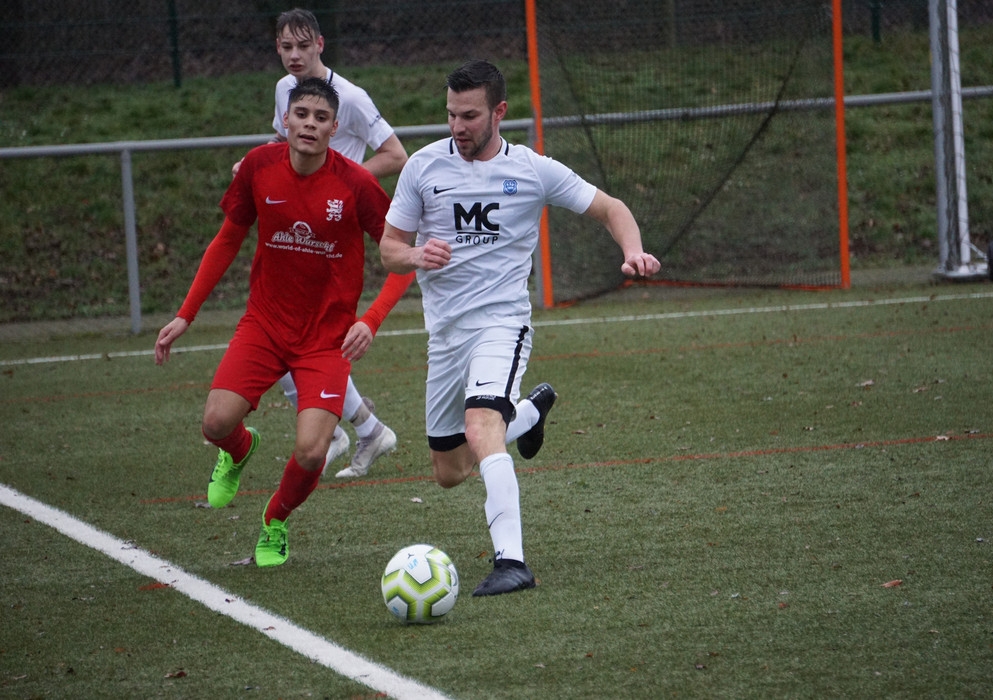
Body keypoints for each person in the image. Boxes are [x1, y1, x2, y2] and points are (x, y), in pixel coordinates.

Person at [379, 60, 661, 596]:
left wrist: (634, 252)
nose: (458, 127)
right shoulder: (422, 168)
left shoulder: (531, 170)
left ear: (499, 112)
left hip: (502, 323)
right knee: (448, 470)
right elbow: (389, 248)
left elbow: (610, 208)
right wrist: (415, 252)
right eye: (450, 115)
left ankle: (512, 562)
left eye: (469, 115)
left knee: (482, 426)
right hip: (445, 335)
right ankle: (528, 414)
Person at [155, 78, 392, 567]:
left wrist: (369, 319)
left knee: (311, 452)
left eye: (321, 118)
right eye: (301, 114)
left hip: (326, 341)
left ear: (334, 128)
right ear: (285, 118)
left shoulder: (357, 185)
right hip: (264, 325)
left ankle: (275, 521)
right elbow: (227, 240)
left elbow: (402, 256)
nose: (309, 124)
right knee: (217, 422)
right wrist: (185, 315)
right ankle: (240, 451)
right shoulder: (259, 168)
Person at [235, 7, 411, 478]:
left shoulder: (351, 97)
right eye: (285, 47)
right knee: (286, 329)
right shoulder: (282, 90)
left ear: (320, 44)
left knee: (307, 335)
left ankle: (352, 431)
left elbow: (396, 155)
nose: (294, 56)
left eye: (302, 46)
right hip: (294, 222)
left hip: (332, 230)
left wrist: (341, 186)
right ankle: (363, 430)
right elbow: (282, 146)